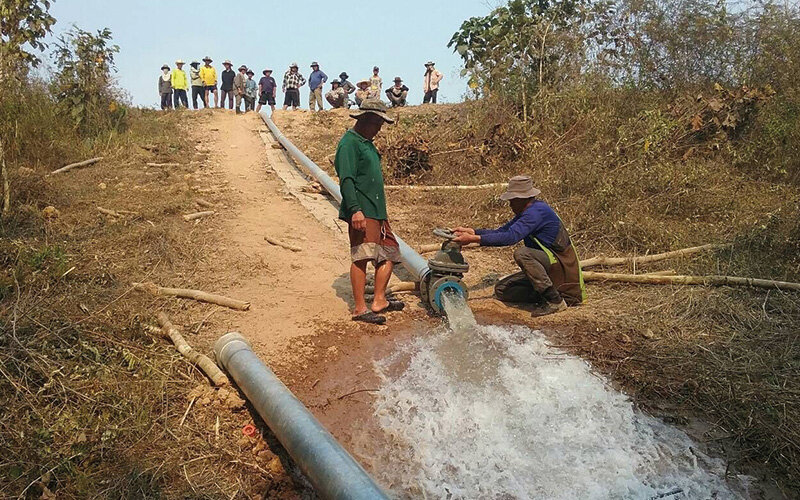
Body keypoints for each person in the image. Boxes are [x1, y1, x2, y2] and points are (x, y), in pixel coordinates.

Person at [452, 175, 586, 316]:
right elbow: (503, 231)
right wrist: (472, 232)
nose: (510, 204)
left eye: (512, 200)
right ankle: (547, 293)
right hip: (549, 266)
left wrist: (473, 239)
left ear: (521, 199)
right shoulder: (528, 211)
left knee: (523, 253)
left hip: (561, 267)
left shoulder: (535, 213)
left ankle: (555, 301)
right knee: (502, 290)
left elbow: (510, 237)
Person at [334, 100, 403, 324]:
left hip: (377, 211)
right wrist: (355, 210)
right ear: (366, 120)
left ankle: (379, 299)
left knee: (389, 251)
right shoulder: (349, 143)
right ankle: (360, 308)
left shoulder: (368, 144)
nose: (380, 128)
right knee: (362, 255)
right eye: (377, 123)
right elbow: (346, 179)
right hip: (363, 209)